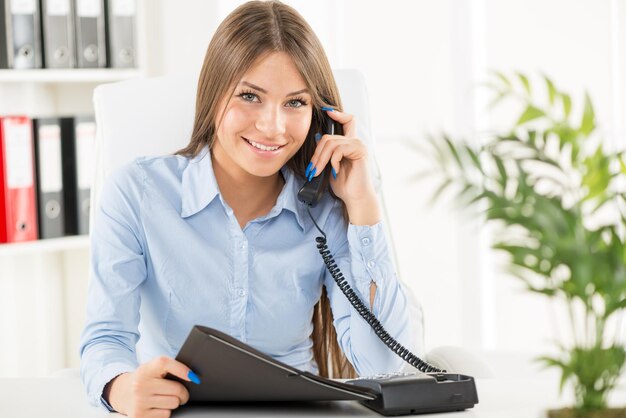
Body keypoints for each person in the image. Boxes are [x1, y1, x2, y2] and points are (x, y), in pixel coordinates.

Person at [79, 1, 415, 417]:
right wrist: (120, 387)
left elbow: (384, 366)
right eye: (250, 96)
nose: (272, 126)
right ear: (214, 92)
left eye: (295, 103)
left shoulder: (326, 209)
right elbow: (105, 337)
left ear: (320, 118)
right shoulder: (137, 192)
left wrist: (363, 207)